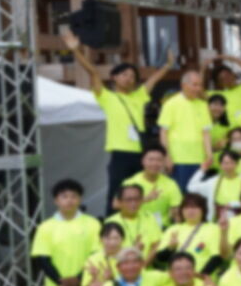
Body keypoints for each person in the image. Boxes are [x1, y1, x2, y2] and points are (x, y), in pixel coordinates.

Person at [62, 28, 173, 213]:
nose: (129, 78)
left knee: (140, 192)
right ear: (114, 77)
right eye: (124, 74)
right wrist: (76, 50)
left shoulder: (139, 96)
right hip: (120, 153)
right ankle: (112, 225)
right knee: (117, 193)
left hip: (141, 153)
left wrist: (168, 65)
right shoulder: (107, 96)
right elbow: (93, 72)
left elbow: (154, 79)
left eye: (132, 76)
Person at [158, 69, 215, 192]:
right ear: (184, 85)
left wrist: (209, 154)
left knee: (197, 195)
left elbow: (206, 133)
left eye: (200, 85)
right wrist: (167, 156)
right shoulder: (171, 104)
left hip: (199, 159)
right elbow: (163, 132)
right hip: (178, 159)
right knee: (180, 193)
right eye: (195, 85)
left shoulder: (203, 105)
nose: (198, 88)